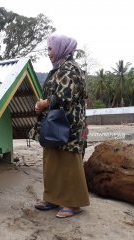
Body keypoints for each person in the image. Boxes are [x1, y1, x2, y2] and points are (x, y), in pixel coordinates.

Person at [29, 34, 90, 218]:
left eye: (50, 49)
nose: (48, 53)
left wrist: (43, 104)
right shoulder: (59, 68)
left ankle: (73, 204)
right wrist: (43, 105)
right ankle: (52, 198)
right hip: (56, 123)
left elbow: (64, 96)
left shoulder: (70, 69)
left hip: (70, 126)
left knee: (69, 161)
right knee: (52, 160)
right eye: (47, 49)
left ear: (62, 48)